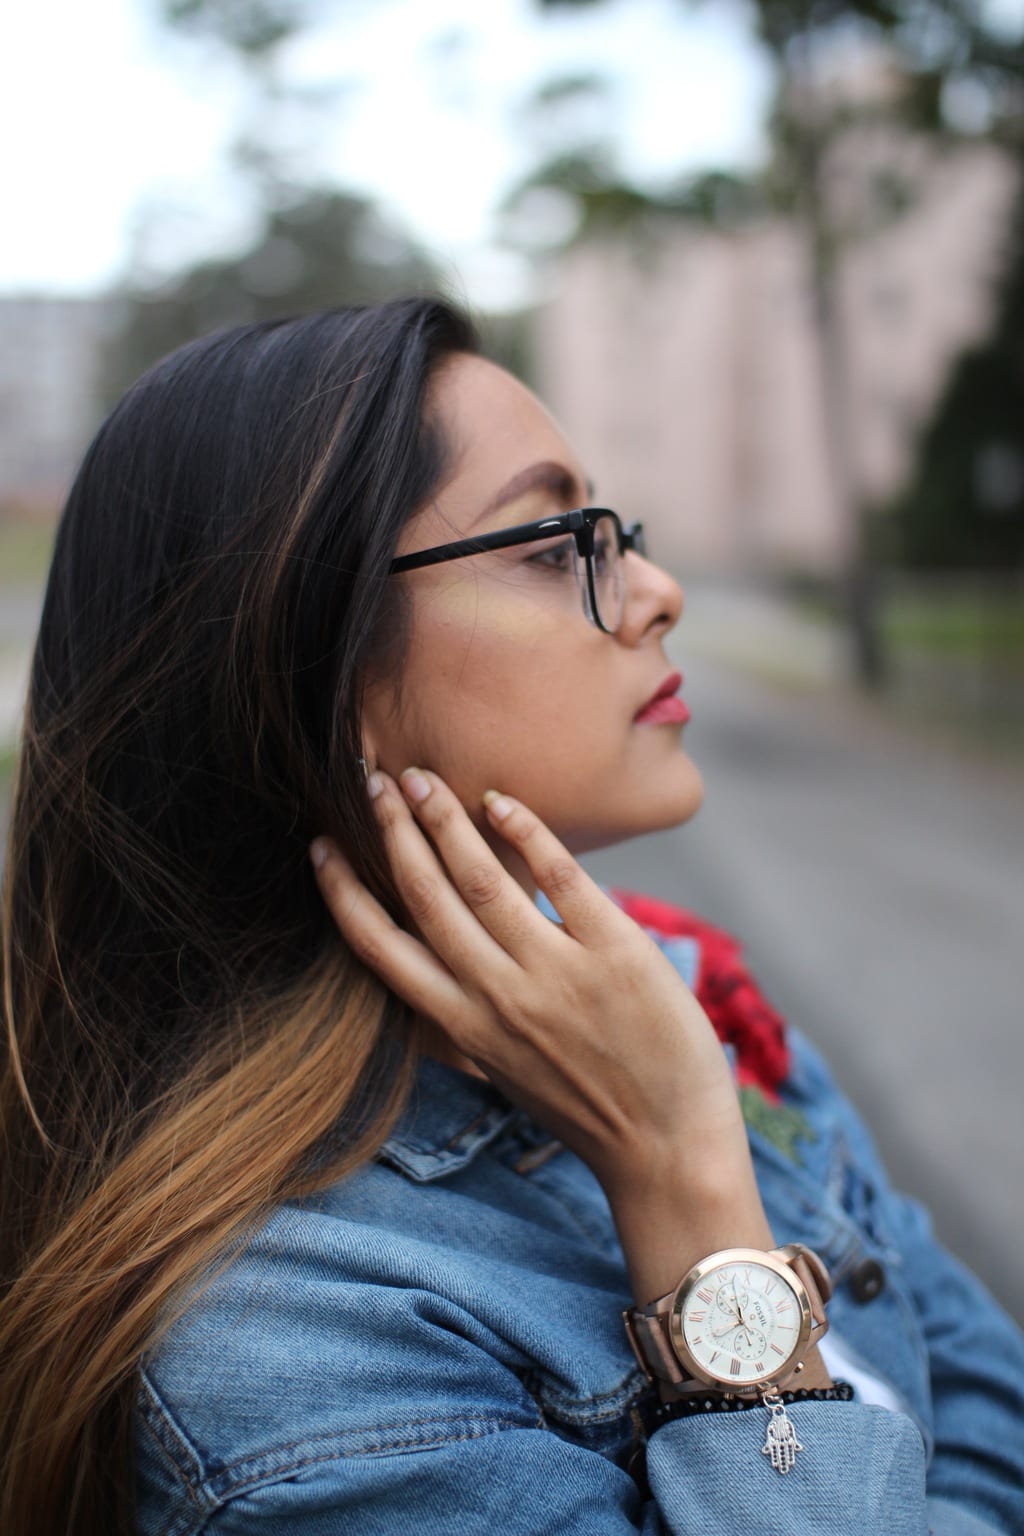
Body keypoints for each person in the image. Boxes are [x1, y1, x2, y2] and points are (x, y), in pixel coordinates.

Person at [1, 299, 1021, 1536]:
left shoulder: (665, 994)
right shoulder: (293, 1355)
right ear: (310, 663)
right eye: (557, 545)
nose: (657, 593)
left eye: (619, 532)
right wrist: (685, 1189)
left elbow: (991, 1423)